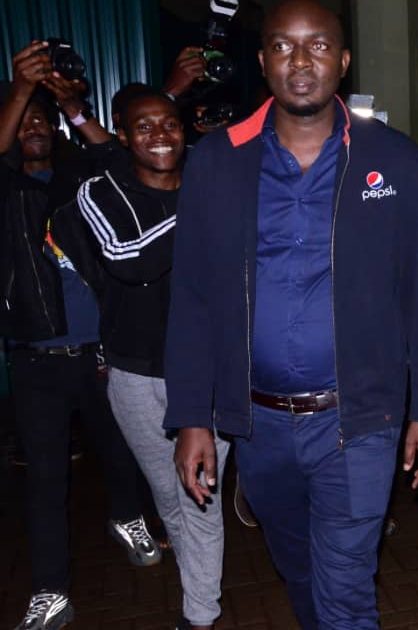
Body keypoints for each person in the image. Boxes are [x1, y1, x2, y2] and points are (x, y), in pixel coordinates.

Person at [164, 1, 418, 627]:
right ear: (263, 60)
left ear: (342, 61)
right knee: (297, 567)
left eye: (317, 45)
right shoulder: (218, 161)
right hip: (258, 424)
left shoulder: (393, 160)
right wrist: (191, 418)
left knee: (346, 590)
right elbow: (191, 298)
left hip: (359, 419)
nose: (300, 61)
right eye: (283, 46)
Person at [53, 89, 230, 630]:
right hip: (134, 373)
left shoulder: (211, 178)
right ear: (123, 135)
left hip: (210, 374)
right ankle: (197, 591)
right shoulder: (99, 191)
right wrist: (200, 212)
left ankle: (200, 614)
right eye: (145, 127)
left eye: (169, 123)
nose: (160, 136)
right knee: (168, 496)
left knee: (200, 499)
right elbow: (128, 258)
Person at [0, 41, 159, 630]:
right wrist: (22, 89)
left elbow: (118, 157)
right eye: (24, 121)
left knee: (121, 453)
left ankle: (128, 516)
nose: (34, 127)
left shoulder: (76, 178)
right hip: (36, 362)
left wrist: (72, 107)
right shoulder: (6, 192)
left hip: (100, 353)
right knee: (46, 481)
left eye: (42, 120)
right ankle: (51, 590)